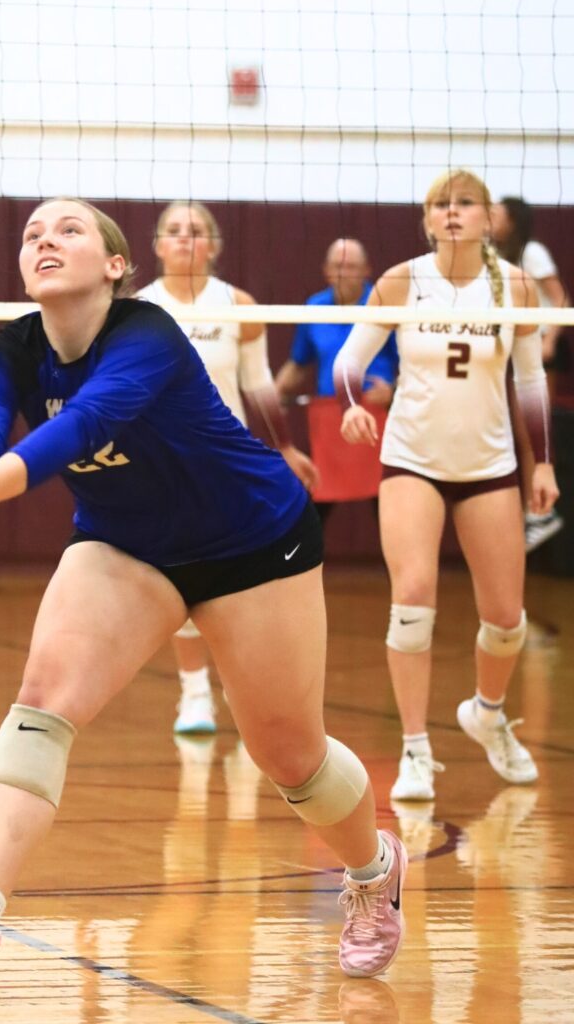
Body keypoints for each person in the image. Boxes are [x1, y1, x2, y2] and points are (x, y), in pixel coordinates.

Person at [0, 197, 406, 987]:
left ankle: (373, 869)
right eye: (31, 234)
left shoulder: (146, 332)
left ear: (118, 266)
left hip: (253, 543)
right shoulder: (9, 351)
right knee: (43, 699)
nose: (45, 239)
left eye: (69, 229)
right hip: (129, 546)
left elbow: (85, 423)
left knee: (293, 760)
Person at [334, 169, 559, 802]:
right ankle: (414, 750)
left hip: (489, 468)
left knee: (507, 622)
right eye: (442, 203)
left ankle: (487, 713)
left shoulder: (513, 285)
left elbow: (530, 382)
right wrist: (353, 402)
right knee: (412, 598)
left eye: (466, 203)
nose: (454, 212)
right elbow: (349, 361)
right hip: (412, 462)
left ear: (489, 219)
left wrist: (541, 463)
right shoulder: (403, 280)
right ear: (428, 219)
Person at [137, 201, 317, 734]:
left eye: (195, 232)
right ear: (157, 246)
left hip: (227, 464)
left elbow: (258, 384)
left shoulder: (238, 305)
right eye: (173, 231)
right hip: (162, 464)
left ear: (213, 246)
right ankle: (194, 694)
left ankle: (242, 692)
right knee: (180, 581)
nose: (184, 239)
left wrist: (283, 445)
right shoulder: (138, 310)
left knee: (236, 587)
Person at [276, 238, 398, 519]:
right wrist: (273, 394)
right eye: (338, 266)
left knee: (387, 504)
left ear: (366, 269)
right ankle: (300, 561)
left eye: (352, 266)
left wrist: (394, 390)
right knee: (315, 504)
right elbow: (299, 363)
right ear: (327, 271)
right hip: (333, 418)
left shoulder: (382, 304)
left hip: (377, 416)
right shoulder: (315, 307)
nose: (344, 273)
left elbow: (411, 363)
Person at [490, 196, 569, 552]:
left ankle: (541, 514)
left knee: (531, 430)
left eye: (496, 214)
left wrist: (551, 338)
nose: (490, 218)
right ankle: (532, 513)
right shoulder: (497, 256)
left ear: (513, 220)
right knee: (517, 433)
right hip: (515, 347)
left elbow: (561, 297)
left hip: (540, 347)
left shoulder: (532, 251)